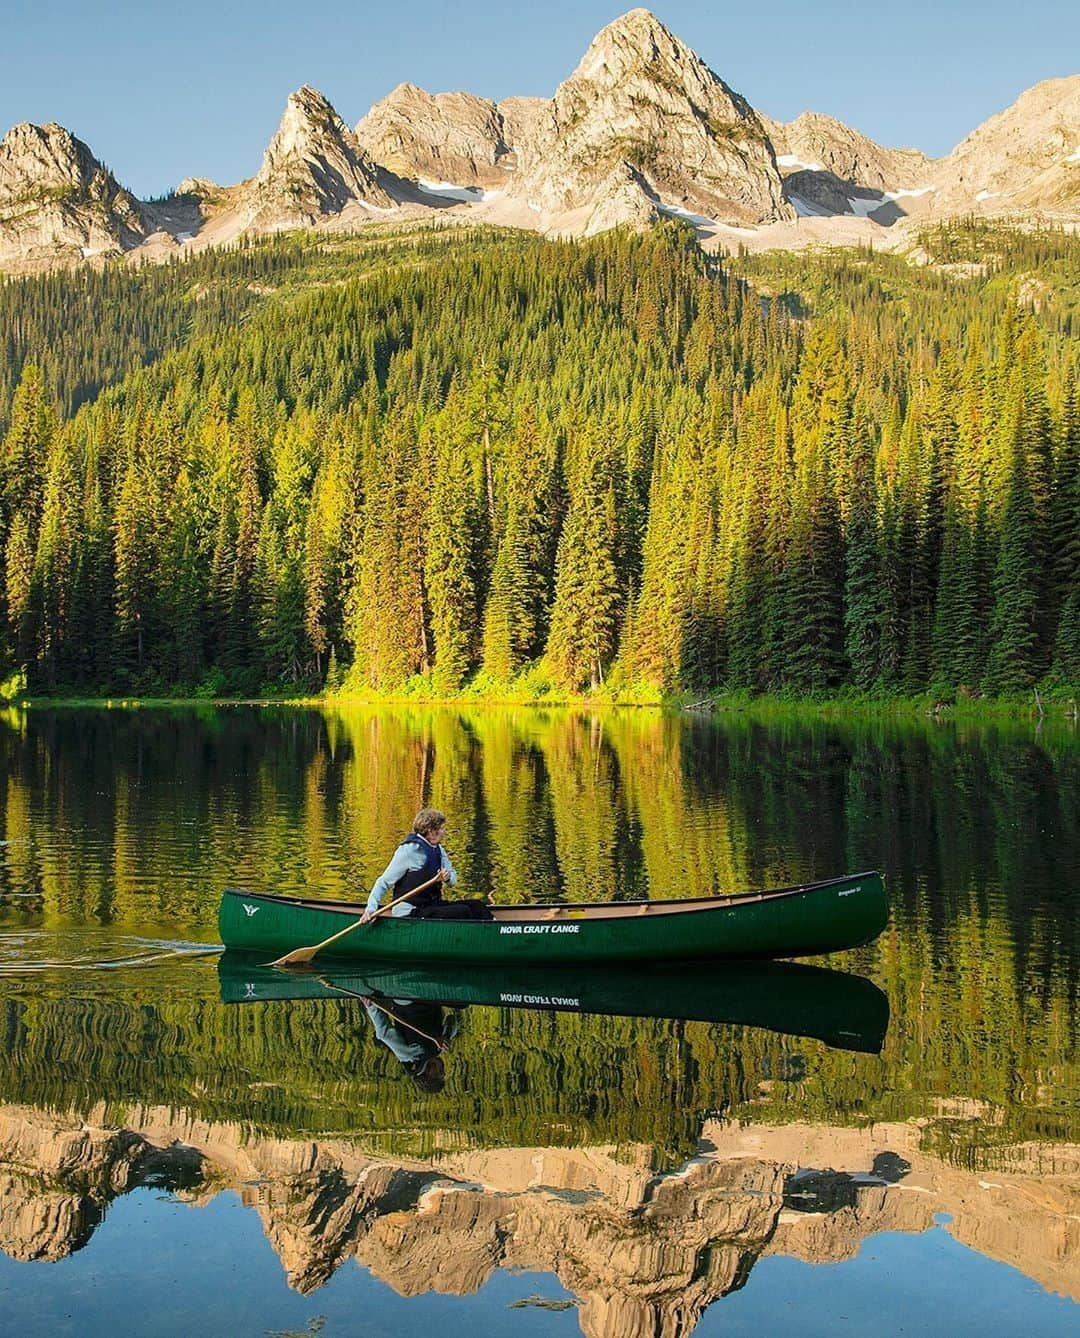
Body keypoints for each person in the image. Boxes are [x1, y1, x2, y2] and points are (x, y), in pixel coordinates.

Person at [359, 807, 493, 923]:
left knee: (477, 906)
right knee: (462, 912)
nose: (444, 832)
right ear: (430, 831)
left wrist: (447, 878)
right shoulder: (408, 851)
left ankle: (494, 931)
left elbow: (453, 880)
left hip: (431, 906)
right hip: (410, 912)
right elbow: (383, 882)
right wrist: (371, 909)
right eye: (441, 829)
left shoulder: (439, 850)